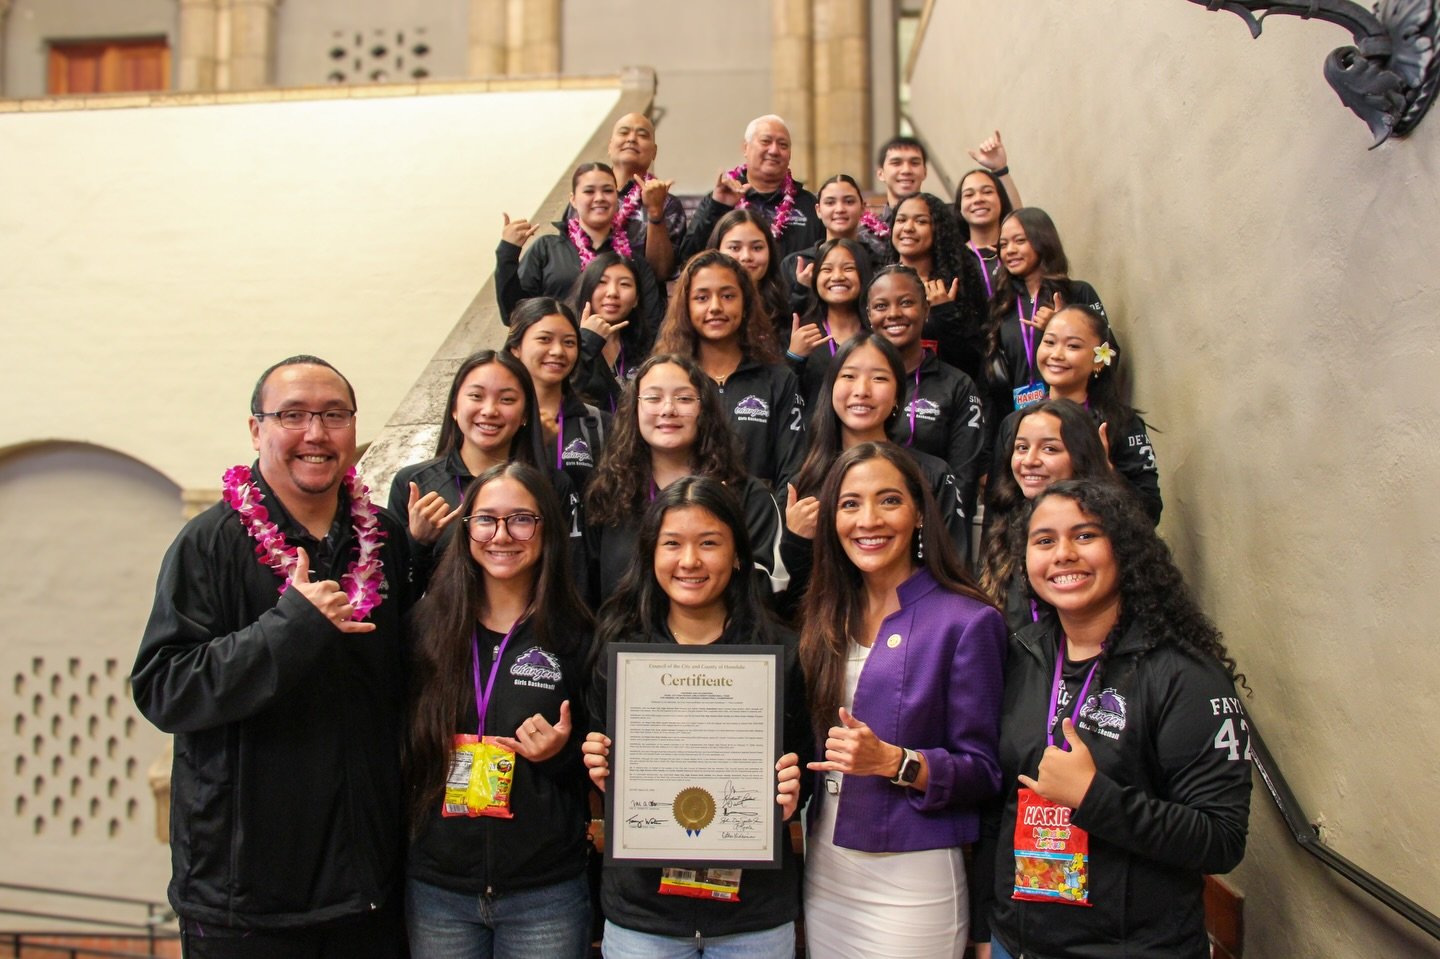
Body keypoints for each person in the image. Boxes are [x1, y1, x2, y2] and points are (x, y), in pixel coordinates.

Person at [132, 355, 412, 957]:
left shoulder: (383, 540)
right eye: (293, 415)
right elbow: (166, 687)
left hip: (366, 885)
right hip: (247, 895)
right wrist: (291, 627)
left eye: (333, 415)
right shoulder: (209, 543)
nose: (316, 433)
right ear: (257, 430)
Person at [971, 479, 1252, 959]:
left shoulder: (1183, 674)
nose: (1063, 554)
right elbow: (1003, 808)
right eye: (1044, 541)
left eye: (1085, 536)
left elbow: (1220, 840)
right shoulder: (1019, 655)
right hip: (1015, 943)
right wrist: (986, 928)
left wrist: (1092, 797)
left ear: (1123, 549)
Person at [580, 477, 811, 958]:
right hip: (645, 917)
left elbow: (803, 764)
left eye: (709, 543)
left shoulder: (781, 652)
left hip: (753, 917)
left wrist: (793, 790)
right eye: (672, 544)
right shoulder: (620, 652)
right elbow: (608, 766)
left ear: (739, 555)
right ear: (650, 555)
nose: (690, 561)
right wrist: (603, 771)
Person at [799, 442, 1005, 959]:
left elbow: (984, 772)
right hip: (826, 867)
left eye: (888, 500)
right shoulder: (823, 616)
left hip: (913, 879)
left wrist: (895, 762)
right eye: (849, 504)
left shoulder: (967, 620)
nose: (868, 519)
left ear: (918, 514)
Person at [404, 462, 593, 959]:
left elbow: (603, 762)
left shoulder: (578, 635)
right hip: (439, 889)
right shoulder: (424, 629)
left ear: (547, 529)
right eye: (486, 520)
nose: (502, 535)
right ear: (466, 531)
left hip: (544, 893)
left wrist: (558, 754)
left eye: (521, 520)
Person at [782, 334, 967, 615]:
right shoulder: (803, 483)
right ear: (830, 388)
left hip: (916, 627)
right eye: (849, 376)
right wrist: (796, 540)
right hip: (829, 634)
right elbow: (790, 603)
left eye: (879, 378)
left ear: (897, 396)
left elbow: (952, 571)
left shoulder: (931, 475)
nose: (862, 390)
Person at [584, 353, 786, 601]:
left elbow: (764, 596)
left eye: (684, 398)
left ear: (705, 409)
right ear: (634, 409)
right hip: (625, 638)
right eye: (653, 398)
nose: (668, 409)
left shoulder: (747, 495)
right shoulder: (607, 495)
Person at [387, 351, 586, 594]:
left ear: (525, 414)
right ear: (454, 408)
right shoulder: (413, 485)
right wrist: (416, 541)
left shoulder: (553, 485)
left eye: (507, 400)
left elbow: (572, 579)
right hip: (440, 628)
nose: (489, 410)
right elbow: (393, 595)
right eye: (476, 396)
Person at [653, 250, 807, 492]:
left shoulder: (777, 379)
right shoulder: (667, 379)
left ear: (745, 304)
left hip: (761, 523)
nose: (715, 307)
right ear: (686, 306)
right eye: (702, 298)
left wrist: (767, 524)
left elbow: (793, 471)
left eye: (727, 296)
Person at [978, 398, 1114, 628]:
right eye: (1021, 448)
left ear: (1081, 456)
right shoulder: (1006, 526)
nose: (1030, 461)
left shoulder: (1110, 529)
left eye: (1049, 448)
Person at [869, 264, 987, 528]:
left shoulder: (956, 385)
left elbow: (963, 479)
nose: (893, 314)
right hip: (867, 525)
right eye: (880, 306)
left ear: (926, 310)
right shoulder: (854, 382)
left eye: (906, 302)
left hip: (933, 527)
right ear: (868, 315)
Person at [1031, 304, 1161, 523]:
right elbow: (1002, 504)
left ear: (1098, 359)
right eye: (1049, 342)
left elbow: (1150, 511)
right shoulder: (1020, 422)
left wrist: (1107, 471)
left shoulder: (1121, 424)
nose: (1056, 354)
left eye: (1072, 346)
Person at [496, 162, 665, 330]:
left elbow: (651, 322)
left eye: (607, 191)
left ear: (616, 198)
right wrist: (508, 252)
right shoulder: (546, 249)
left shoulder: (633, 260)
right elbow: (512, 315)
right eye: (589, 191)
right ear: (573, 200)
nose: (599, 198)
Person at [983, 206, 1108, 426]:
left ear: (1043, 241)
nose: (1010, 250)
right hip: (1021, 422)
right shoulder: (1001, 304)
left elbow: (1109, 355)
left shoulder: (1077, 292)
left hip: (1077, 418)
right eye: (1003, 244)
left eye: (1020, 241)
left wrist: (1063, 325)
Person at [504, 297, 611, 493]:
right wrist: (532, 443)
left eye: (569, 342)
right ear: (515, 349)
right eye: (544, 339)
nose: (558, 351)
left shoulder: (597, 424)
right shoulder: (497, 421)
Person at [682, 114, 824, 260]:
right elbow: (689, 257)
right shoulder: (720, 200)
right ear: (746, 148)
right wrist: (717, 207)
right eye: (765, 141)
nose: (774, 151)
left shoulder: (810, 205)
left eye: (783, 145)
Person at [887, 191, 990, 384]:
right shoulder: (877, 284)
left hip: (943, 397)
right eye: (901, 220)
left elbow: (973, 361)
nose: (908, 228)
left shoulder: (956, 286)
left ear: (938, 230)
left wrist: (946, 313)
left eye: (921, 221)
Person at [784, 236, 872, 409]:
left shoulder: (876, 333)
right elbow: (781, 396)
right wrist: (794, 358)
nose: (837, 276)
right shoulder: (801, 332)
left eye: (848, 268)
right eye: (827, 269)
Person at [569, 251, 658, 410]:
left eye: (624, 284)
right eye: (602, 282)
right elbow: (560, 394)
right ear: (587, 290)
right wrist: (587, 341)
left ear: (637, 299)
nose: (612, 293)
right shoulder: (565, 342)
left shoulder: (647, 346)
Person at [603, 112, 686, 279]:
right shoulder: (588, 196)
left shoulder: (667, 203)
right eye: (624, 132)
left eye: (642, 135)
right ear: (610, 146)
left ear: (654, 152)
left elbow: (662, 272)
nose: (632, 139)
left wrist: (655, 212)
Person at [780, 174, 887, 303]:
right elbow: (782, 317)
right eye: (830, 202)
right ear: (818, 210)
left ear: (863, 208)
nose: (840, 209)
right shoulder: (796, 264)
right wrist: (803, 290)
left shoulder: (879, 263)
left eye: (849, 201)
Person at [708, 207, 791, 349]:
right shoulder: (698, 303)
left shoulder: (783, 305)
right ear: (717, 250)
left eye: (757, 248)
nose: (746, 257)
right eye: (734, 248)